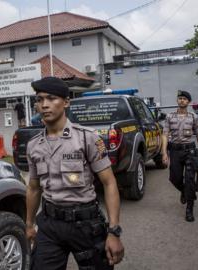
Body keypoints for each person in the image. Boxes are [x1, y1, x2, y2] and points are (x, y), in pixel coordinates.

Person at [26, 76, 124, 270]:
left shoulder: (87, 138)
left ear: (66, 102)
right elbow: (33, 188)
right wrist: (29, 224)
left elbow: (109, 183)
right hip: (49, 225)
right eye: (39, 99)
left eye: (51, 98)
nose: (44, 105)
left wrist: (114, 232)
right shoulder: (33, 145)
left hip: (85, 225)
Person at [161, 90, 198, 222]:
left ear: (188, 102)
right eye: (180, 98)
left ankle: (189, 209)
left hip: (190, 151)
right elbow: (165, 134)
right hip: (175, 151)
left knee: (190, 180)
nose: (181, 100)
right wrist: (164, 152)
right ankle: (183, 190)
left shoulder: (193, 117)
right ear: (177, 101)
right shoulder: (169, 116)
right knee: (174, 178)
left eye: (184, 98)